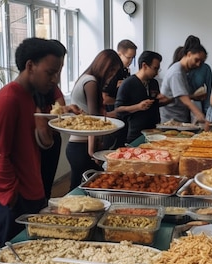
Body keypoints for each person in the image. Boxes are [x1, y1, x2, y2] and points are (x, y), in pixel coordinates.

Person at [0, 38, 68, 253]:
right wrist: (10, 197)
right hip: (12, 199)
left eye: (57, 72)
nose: (55, 79)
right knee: (7, 261)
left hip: (31, 192)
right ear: (30, 66)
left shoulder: (29, 97)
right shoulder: (8, 99)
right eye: (50, 72)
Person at [67, 49, 123, 190]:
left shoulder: (85, 78)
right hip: (82, 147)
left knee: (80, 187)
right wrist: (93, 152)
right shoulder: (91, 82)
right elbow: (93, 120)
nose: (111, 76)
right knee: (83, 189)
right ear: (103, 66)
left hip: (78, 146)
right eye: (111, 71)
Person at [115, 51, 170, 144]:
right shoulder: (128, 83)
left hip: (153, 131)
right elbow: (118, 109)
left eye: (158, 70)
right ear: (144, 65)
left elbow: (153, 104)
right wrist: (138, 107)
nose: (156, 73)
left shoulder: (154, 83)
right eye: (155, 68)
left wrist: (165, 101)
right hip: (135, 134)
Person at [159, 40, 208, 124]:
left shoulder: (183, 71)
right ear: (189, 54)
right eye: (196, 60)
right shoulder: (176, 73)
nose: (198, 64)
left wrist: (193, 97)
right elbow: (184, 99)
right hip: (172, 121)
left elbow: (176, 96)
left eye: (201, 62)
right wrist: (199, 114)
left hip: (179, 119)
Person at [102, 39, 138, 149]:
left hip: (123, 117)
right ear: (119, 54)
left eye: (133, 58)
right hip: (112, 117)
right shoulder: (112, 72)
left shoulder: (126, 71)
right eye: (128, 57)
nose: (131, 61)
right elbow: (105, 98)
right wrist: (123, 103)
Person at [185, 36, 212, 117]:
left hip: (198, 106)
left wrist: (207, 111)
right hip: (181, 108)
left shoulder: (205, 68)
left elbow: (209, 90)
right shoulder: (180, 68)